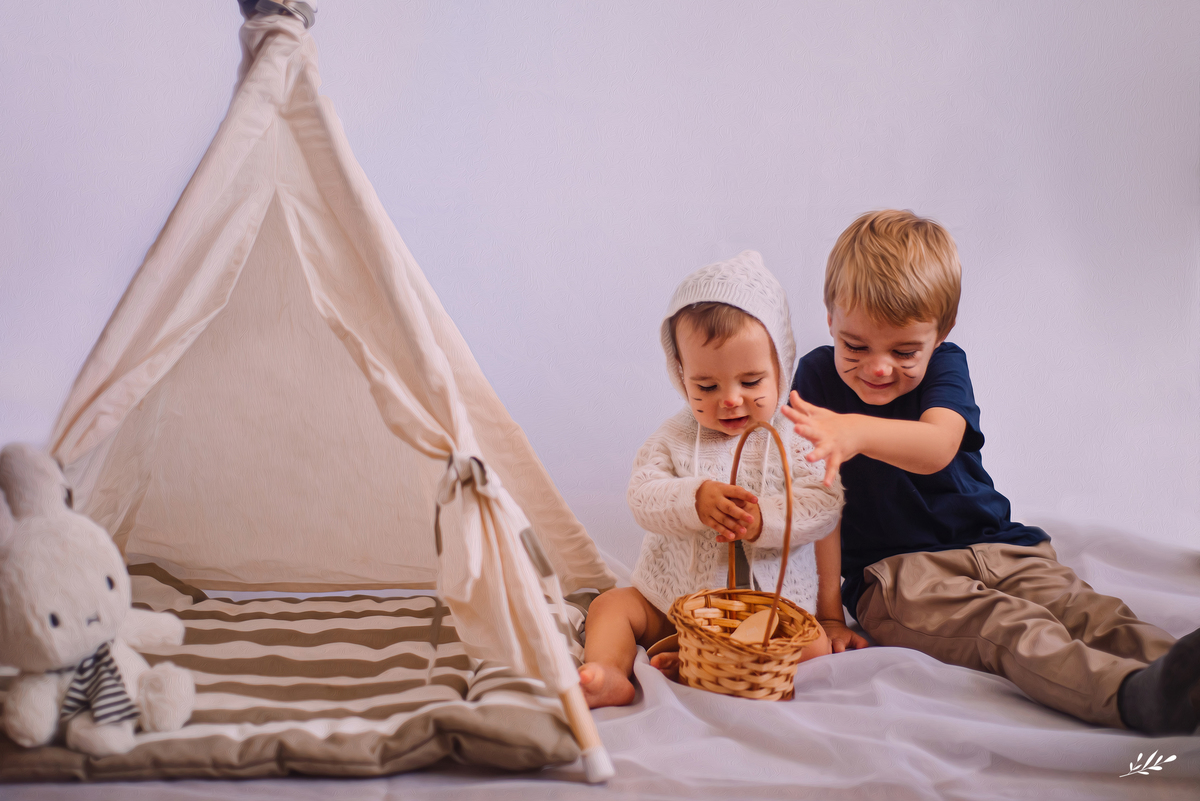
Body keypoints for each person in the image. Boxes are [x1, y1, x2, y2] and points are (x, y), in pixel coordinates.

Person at [784, 209, 1200, 734]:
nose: (878, 367)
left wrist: (855, 432)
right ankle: (1129, 696)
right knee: (1010, 628)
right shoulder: (818, 377)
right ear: (829, 321)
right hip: (900, 579)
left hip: (1002, 545)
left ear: (941, 332)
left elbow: (937, 445)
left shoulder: (945, 363)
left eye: (904, 350)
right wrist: (826, 615)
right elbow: (823, 508)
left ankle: (1185, 679)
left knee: (1090, 612)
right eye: (855, 345)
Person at [578, 251, 865, 709]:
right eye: (706, 387)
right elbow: (642, 496)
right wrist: (693, 499)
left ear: (781, 368)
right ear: (681, 375)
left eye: (752, 382)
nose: (730, 401)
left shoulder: (794, 436)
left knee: (808, 649)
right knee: (609, 607)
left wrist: (762, 519)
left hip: (766, 613)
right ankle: (611, 673)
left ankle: (698, 661)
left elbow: (824, 504)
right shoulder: (675, 437)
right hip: (671, 603)